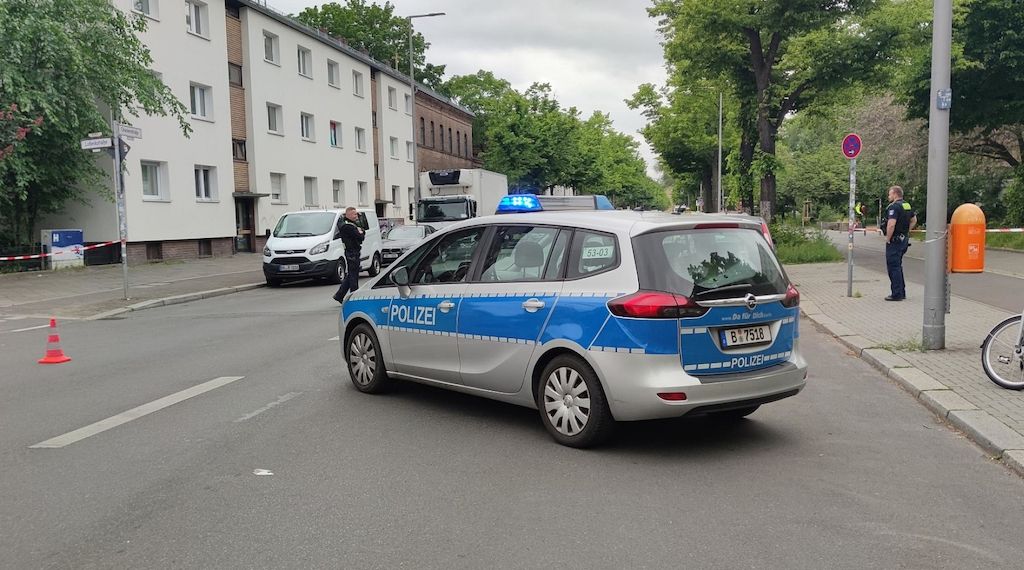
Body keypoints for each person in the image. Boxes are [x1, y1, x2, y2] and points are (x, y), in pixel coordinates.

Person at [881, 185, 917, 301]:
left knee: (893, 267)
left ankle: (896, 294)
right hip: (904, 240)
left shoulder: (894, 207)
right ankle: (902, 292)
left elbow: (891, 224)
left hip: (895, 241)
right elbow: (914, 220)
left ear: (895, 194)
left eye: (890, 194)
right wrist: (906, 231)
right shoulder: (906, 205)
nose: (888, 196)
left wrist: (888, 238)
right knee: (898, 266)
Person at [333, 207, 365, 304]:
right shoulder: (348, 226)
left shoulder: (350, 225)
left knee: (352, 274)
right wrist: (361, 232)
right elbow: (360, 237)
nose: (356, 216)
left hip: (352, 252)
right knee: (353, 276)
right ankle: (354, 296)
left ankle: (339, 295)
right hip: (352, 253)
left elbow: (361, 234)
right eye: (354, 214)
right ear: (348, 215)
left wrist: (361, 231)